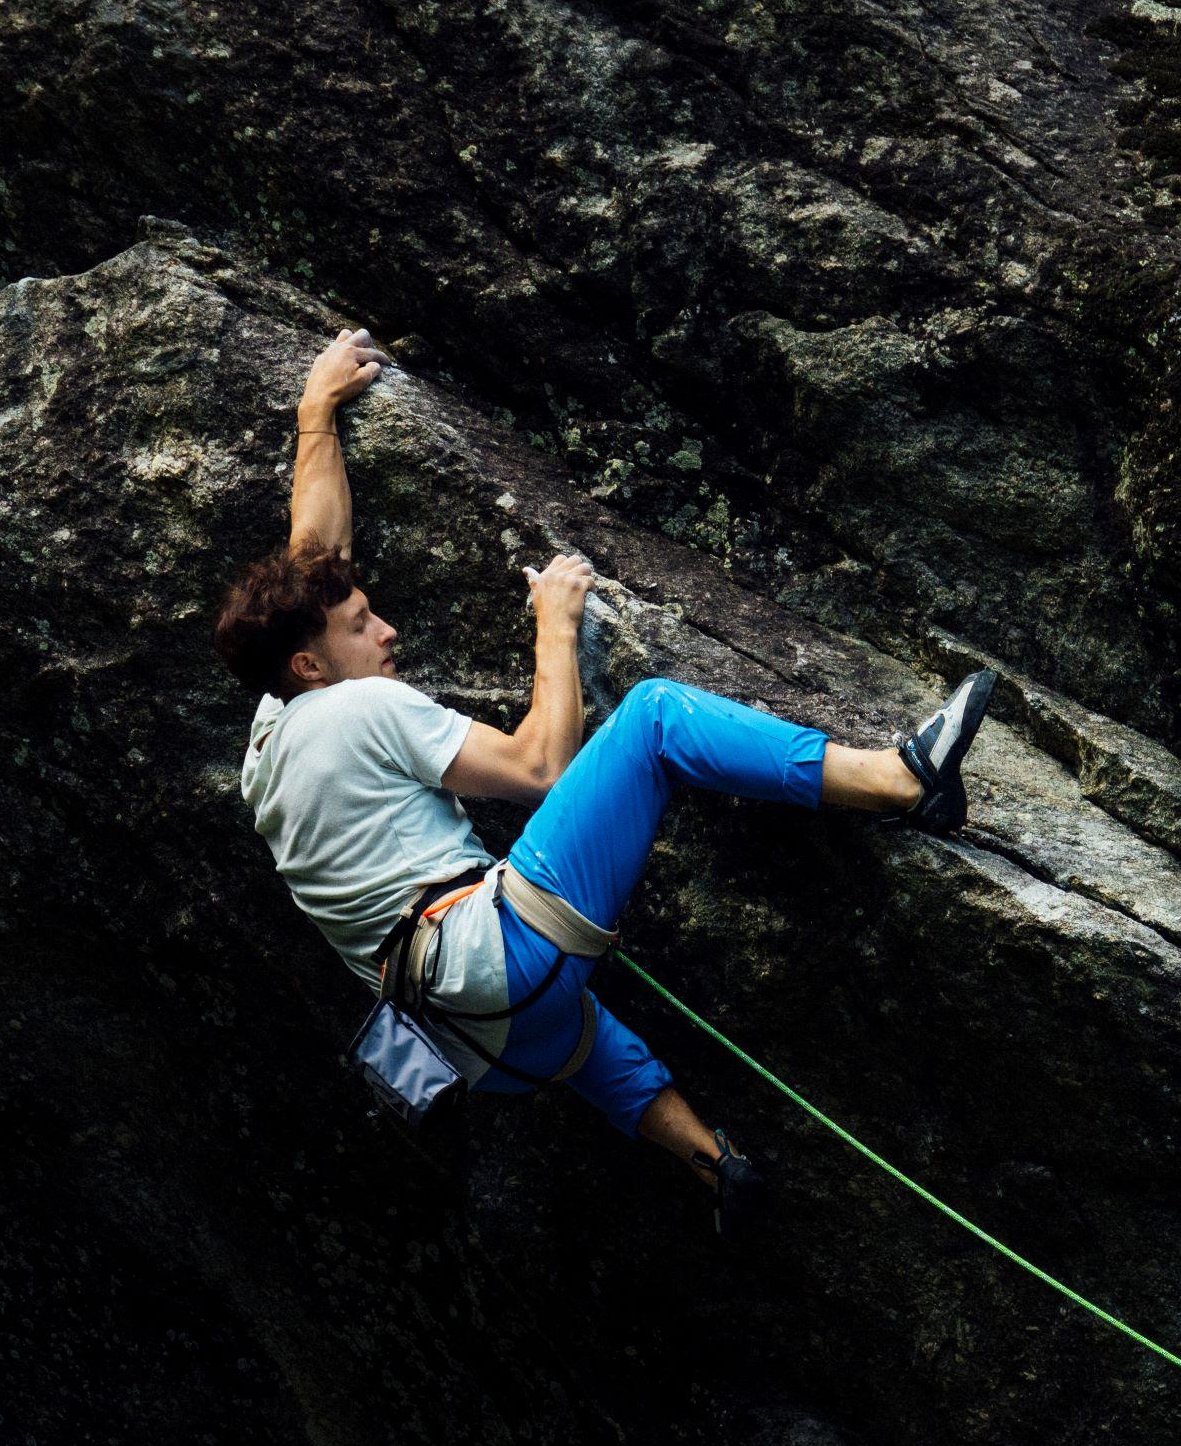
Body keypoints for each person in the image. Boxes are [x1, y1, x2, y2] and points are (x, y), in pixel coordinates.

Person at [215, 327, 993, 1220]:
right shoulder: (363, 707)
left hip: (474, 1044)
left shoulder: (269, 741)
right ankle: (903, 782)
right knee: (657, 717)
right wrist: (555, 618)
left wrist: (317, 414)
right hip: (500, 958)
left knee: (583, 1045)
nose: (386, 630)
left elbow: (314, 554)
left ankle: (713, 1167)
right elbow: (542, 768)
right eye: (362, 627)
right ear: (313, 666)